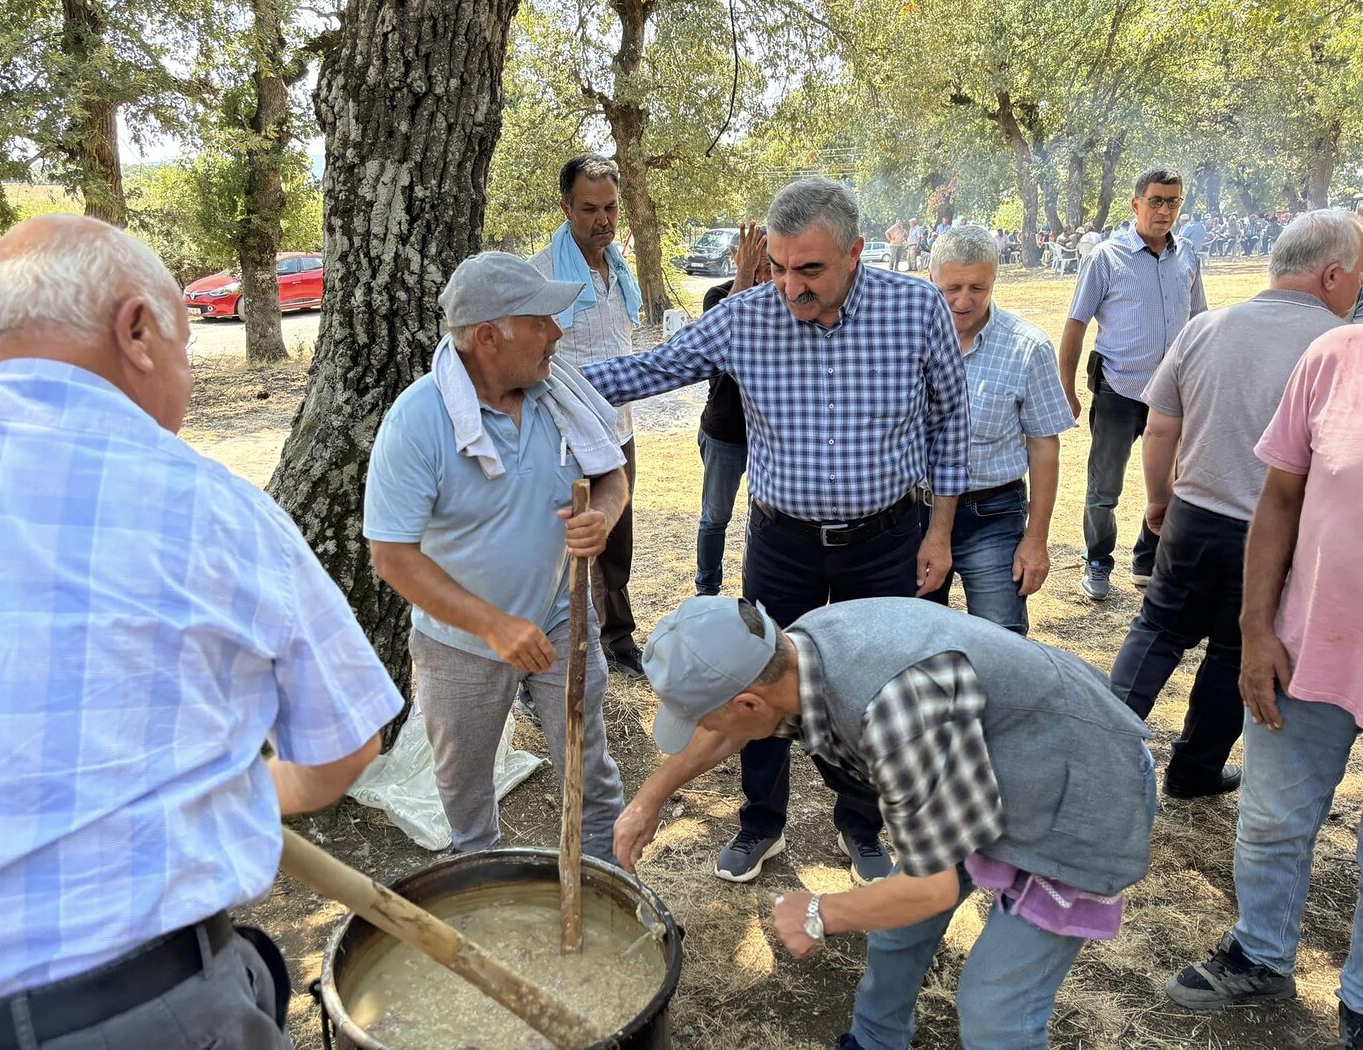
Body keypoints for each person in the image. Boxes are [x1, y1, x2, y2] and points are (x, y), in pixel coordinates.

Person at [0, 215, 404, 1047]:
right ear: (136, 330)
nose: (188, 380)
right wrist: (249, 790)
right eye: (186, 352)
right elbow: (346, 746)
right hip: (137, 1011)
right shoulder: (213, 508)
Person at [583, 177, 970, 886]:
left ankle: (862, 825)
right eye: (781, 267)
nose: (791, 287)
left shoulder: (917, 310)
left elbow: (951, 421)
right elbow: (646, 369)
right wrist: (528, 373)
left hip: (888, 542)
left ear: (856, 252)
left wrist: (938, 532)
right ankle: (761, 822)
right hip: (781, 545)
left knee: (881, 689)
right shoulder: (745, 316)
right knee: (752, 680)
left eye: (811, 270)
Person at [616, 596, 1155, 1049]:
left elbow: (931, 888)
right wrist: (650, 799)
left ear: (750, 702)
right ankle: (876, 1038)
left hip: (1075, 790)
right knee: (896, 930)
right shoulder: (793, 650)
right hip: (979, 764)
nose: (700, 729)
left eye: (700, 715)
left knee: (995, 1010)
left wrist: (822, 912)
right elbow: (728, 728)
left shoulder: (895, 708)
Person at [364, 252, 629, 861]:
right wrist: (493, 625)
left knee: (586, 765)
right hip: (460, 643)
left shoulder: (557, 394)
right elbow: (392, 556)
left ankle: (605, 879)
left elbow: (612, 479)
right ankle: (479, 883)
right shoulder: (418, 421)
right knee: (465, 787)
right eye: (542, 321)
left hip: (562, 617)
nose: (558, 334)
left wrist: (603, 518)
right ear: (488, 336)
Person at [1111, 210, 1362, 802]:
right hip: (1281, 534)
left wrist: (1157, 500)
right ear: (1331, 276)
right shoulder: (1338, 353)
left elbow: (1160, 428)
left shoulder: (1206, 327)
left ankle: (1099, 744)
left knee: (1156, 631)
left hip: (1194, 512)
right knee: (1233, 650)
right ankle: (1194, 770)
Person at [1163, 321, 1363, 1050]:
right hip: (1308, 644)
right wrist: (1255, 630)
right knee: (1274, 818)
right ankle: (1260, 954)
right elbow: (1279, 499)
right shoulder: (1335, 358)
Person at [1058, 167, 1207, 600]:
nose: (1165, 210)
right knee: (1105, 485)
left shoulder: (1188, 258)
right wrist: (1067, 389)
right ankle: (1099, 560)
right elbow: (1075, 325)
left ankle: (1147, 555)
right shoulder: (1106, 257)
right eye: (1156, 200)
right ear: (1136, 204)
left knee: (1173, 481)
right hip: (1119, 389)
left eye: (1173, 201)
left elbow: (1199, 322)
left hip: (1173, 395)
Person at [530, 153, 646, 679]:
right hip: (564, 438)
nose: (603, 219)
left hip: (618, 429)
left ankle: (618, 641)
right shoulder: (542, 273)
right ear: (566, 208)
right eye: (590, 209)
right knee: (563, 552)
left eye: (611, 207)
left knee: (616, 539)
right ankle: (551, 659)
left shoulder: (617, 269)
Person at [925, 226, 1073, 633]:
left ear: (994, 280)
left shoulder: (1028, 347)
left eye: (978, 287)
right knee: (913, 638)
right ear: (931, 278)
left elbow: (1045, 447)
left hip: (992, 514)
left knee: (1002, 640)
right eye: (952, 286)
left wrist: (1036, 539)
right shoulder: (903, 342)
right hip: (916, 514)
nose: (964, 299)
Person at [694, 223, 770, 596]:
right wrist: (743, 278)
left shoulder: (783, 305)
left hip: (767, 437)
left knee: (764, 520)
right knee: (715, 517)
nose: (766, 275)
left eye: (772, 265)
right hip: (724, 432)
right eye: (758, 265)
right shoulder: (719, 295)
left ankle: (753, 591)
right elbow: (713, 339)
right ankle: (706, 590)